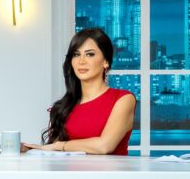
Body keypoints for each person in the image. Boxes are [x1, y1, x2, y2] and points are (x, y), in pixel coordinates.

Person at [21, 27, 136, 155]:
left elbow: (105, 146)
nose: (81, 61)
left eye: (90, 54)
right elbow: (54, 152)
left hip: (110, 169)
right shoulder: (65, 106)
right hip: (69, 169)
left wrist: (60, 145)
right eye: (76, 54)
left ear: (106, 62)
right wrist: (34, 150)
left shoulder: (123, 99)